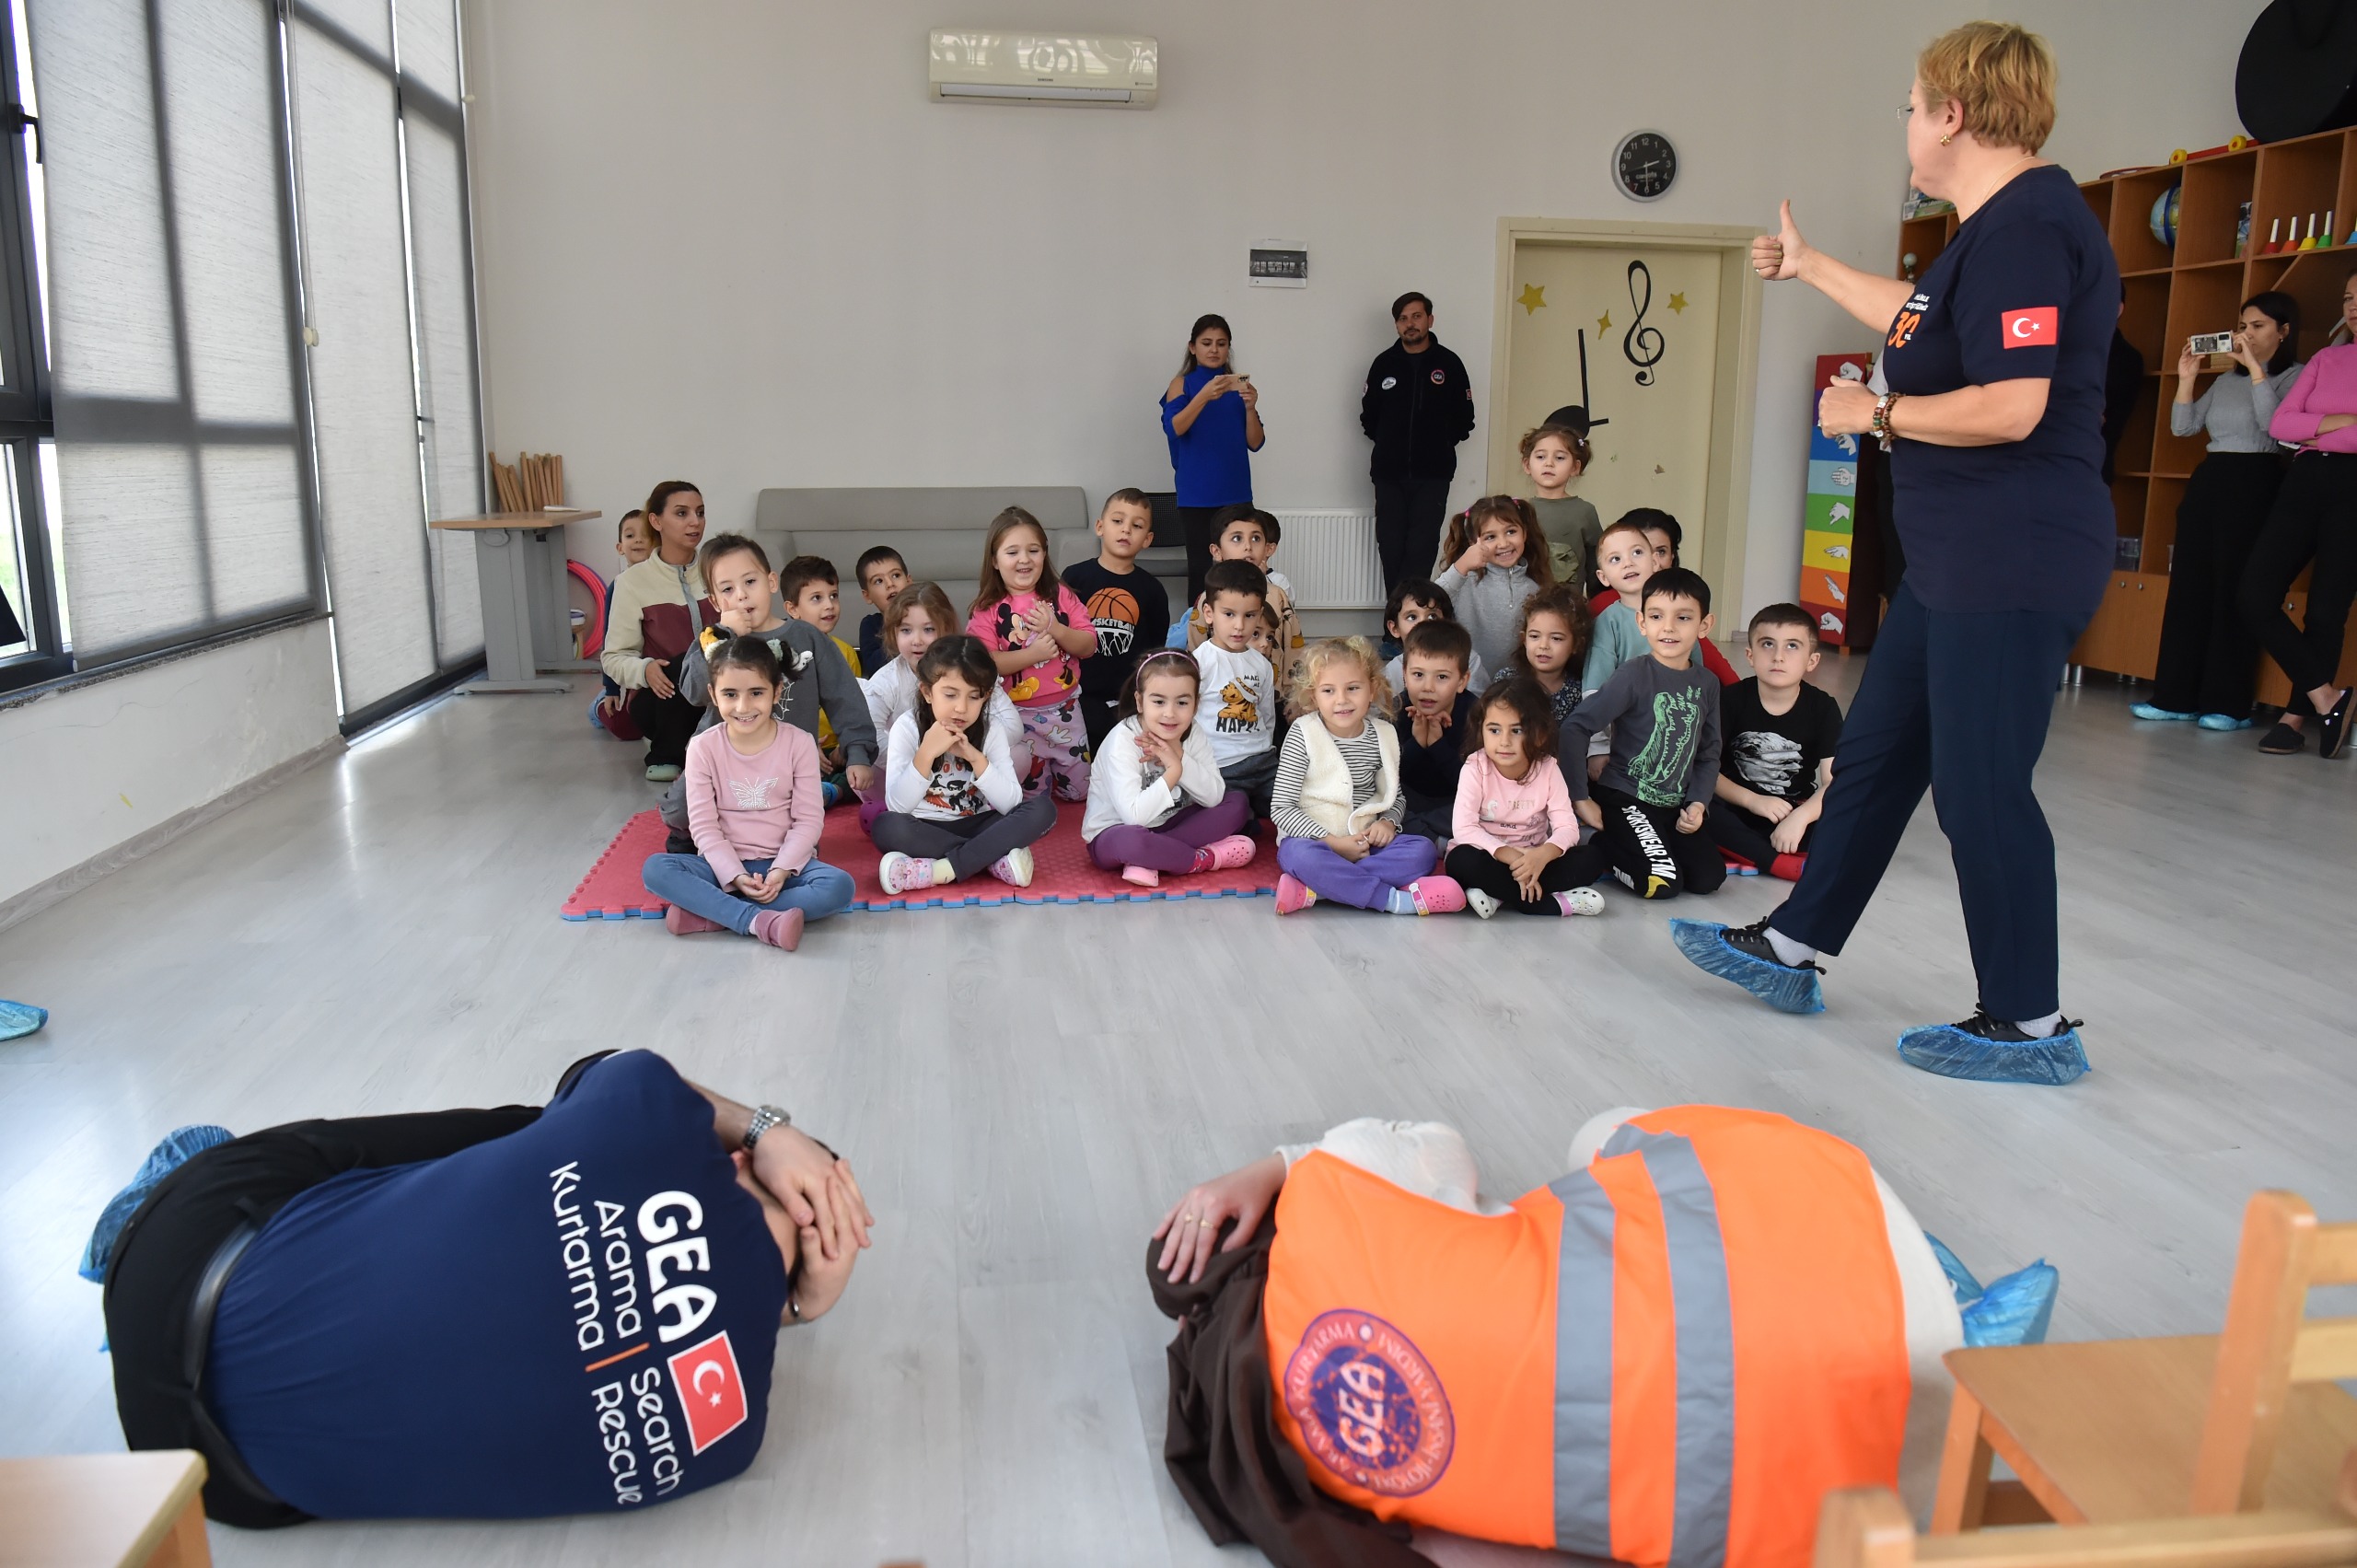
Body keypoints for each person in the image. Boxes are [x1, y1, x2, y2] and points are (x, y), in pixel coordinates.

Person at [1678, 22, 2115, 1083]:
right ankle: (1793, 946)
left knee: (1980, 789)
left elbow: (2012, 405)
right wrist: (1813, 266)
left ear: (1953, 113)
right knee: (1873, 758)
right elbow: (1922, 323)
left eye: (1913, 107)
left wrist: (1874, 414)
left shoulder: (2026, 227)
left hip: (2009, 555)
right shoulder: (1987, 230)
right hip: (1958, 559)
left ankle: (2030, 1024)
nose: (1907, 126)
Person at [1145, 1103, 2053, 1568]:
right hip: (1664, 1305)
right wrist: (1284, 1162)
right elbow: (1436, 1142)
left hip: (1724, 1488)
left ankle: (1934, 1333)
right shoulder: (1333, 1190)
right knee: (1622, 1142)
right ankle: (1928, 1287)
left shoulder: (1303, 1459)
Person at [88, 1048, 870, 1527]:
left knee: (535, 1128)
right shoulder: (732, 1437)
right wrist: (795, 1308)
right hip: (218, 1487)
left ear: (738, 1160)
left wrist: (767, 1126)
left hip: (172, 1263)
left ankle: (138, 1209)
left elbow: (590, 1069)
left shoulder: (650, 1118)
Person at [2132, 296, 2300, 731]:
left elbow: (2276, 428)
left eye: (2258, 326)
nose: (2247, 334)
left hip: (2256, 481)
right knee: (2189, 587)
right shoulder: (2226, 380)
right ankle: (2175, 696)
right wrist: (2187, 379)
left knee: (2235, 590)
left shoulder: (2296, 376)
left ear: (2284, 331)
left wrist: (2257, 371)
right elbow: (2183, 427)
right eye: (2243, 325)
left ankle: (2228, 704)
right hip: (2211, 480)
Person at [656, 535, 875, 854]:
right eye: (728, 589)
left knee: (795, 837)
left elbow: (844, 697)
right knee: (678, 811)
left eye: (750, 582)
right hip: (723, 764)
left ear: (771, 582)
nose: (742, 595)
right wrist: (725, 635)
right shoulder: (713, 639)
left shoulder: (807, 637)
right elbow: (693, 692)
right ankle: (696, 840)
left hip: (787, 768)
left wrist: (857, 752)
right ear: (715, 602)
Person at [641, 637, 855, 950]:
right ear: (713, 694)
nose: (743, 707)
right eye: (730, 694)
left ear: (776, 692)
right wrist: (736, 876)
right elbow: (703, 827)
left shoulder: (799, 743)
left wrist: (780, 870)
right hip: (722, 867)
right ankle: (757, 921)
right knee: (656, 869)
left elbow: (809, 820)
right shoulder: (703, 747)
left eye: (756, 693)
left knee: (839, 886)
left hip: (784, 867)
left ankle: (714, 915)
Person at [2240, 269, 2357, 758]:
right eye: (2348, 297)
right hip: (2305, 480)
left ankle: (2293, 720)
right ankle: (2327, 698)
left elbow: (2299, 425)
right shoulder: (2328, 358)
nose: (2353, 306)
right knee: (2253, 594)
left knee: (2326, 610)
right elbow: (2281, 424)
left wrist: (2316, 425)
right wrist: (2343, 421)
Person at [1559, 567, 1725, 900]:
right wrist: (1580, 798)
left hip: (1673, 805)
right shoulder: (1633, 674)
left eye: (1683, 618)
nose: (1668, 627)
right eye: (1657, 616)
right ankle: (1601, 844)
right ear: (1642, 622)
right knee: (1662, 883)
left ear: (1704, 625)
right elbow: (1575, 727)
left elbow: (1709, 752)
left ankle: (1649, 845)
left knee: (1709, 877)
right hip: (1627, 798)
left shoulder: (1707, 683)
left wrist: (1698, 803)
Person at [1270, 637, 1463, 917]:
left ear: (1372, 690)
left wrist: (1388, 822)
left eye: (1353, 688)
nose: (1342, 700)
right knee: (1297, 856)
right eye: (1328, 690)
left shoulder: (1383, 734)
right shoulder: (1303, 734)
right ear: (1313, 697)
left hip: (1366, 845)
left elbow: (1395, 796)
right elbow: (1282, 808)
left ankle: (1320, 889)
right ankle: (1390, 900)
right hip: (1316, 843)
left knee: (1422, 850)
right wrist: (1333, 843)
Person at [873, 635, 1057, 895]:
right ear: (927, 692)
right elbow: (898, 806)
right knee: (886, 826)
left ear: (986, 696)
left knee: (1043, 810)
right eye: (950, 695)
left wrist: (976, 758)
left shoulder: (991, 728)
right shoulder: (907, 727)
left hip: (977, 823)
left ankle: (940, 870)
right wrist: (926, 753)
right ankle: (990, 859)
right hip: (923, 827)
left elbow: (1011, 803)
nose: (961, 708)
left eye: (974, 697)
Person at [1081, 650, 1257, 888]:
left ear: (1196, 705)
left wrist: (1179, 755)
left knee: (1237, 804)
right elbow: (1134, 818)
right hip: (1118, 832)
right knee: (1131, 842)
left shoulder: (1193, 732)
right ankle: (1201, 859)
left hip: (1173, 822)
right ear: (1139, 701)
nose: (1170, 713)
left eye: (1182, 703)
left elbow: (1213, 797)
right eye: (1159, 701)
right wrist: (1174, 770)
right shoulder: (1123, 740)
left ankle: (1153, 857)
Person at [861, 581, 1025, 832]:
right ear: (927, 692)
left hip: (968, 780)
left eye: (928, 629)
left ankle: (974, 825)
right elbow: (870, 732)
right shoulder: (889, 689)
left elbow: (1013, 726)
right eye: (906, 630)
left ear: (946, 629)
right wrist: (922, 754)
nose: (917, 640)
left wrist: (972, 743)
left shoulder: (974, 673)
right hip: (911, 776)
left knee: (1022, 760)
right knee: (867, 769)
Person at [965, 506, 1096, 801]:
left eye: (1033, 550)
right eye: (1012, 552)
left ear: (1044, 554)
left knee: (1080, 793)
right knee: (1029, 797)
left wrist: (1056, 629)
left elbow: (1089, 645)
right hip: (1015, 718)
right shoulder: (986, 609)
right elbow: (983, 664)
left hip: (1066, 711)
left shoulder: (1061, 595)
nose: (1024, 559)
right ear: (995, 560)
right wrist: (1033, 654)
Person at [1446, 678, 1604, 918]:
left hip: (1535, 860)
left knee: (1593, 858)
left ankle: (1499, 894)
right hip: (1491, 857)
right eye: (1494, 730)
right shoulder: (1475, 767)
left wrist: (1542, 855)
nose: (1504, 741)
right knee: (1460, 860)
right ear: (1482, 730)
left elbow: (1568, 828)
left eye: (1517, 731)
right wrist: (1511, 857)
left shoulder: (1548, 769)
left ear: (1540, 734)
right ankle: (1545, 904)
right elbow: (1464, 829)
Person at [1709, 604, 1844, 882]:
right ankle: (1777, 862)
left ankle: (1753, 850)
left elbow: (1835, 782)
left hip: (1789, 810)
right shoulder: (1730, 700)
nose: (1778, 656)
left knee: (1847, 821)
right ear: (1750, 655)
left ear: (1812, 661)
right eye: (1768, 644)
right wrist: (1753, 800)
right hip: (1736, 805)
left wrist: (1800, 818)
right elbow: (1706, 771)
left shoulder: (1823, 708)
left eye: (1792, 646)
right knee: (1698, 811)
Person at [1361, 292, 1477, 593]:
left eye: (1416, 316)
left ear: (1430, 320)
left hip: (1432, 476)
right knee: (1390, 548)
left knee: (1421, 549)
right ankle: (1396, 619)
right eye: (1403, 319)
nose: (1410, 324)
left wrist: (1438, 444)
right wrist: (1390, 443)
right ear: (1396, 325)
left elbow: (1465, 418)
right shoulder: (1383, 364)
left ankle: (1415, 618)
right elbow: (1369, 417)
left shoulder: (1449, 364)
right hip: (1389, 475)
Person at [602, 481, 714, 783]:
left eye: (700, 512)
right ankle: (666, 754)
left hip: (719, 694)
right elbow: (614, 657)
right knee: (685, 663)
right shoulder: (631, 583)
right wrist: (645, 669)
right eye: (682, 513)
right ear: (656, 521)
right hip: (661, 698)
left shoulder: (717, 570)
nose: (695, 522)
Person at [1163, 315, 1265, 604]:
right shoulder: (1182, 384)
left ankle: (1241, 624)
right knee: (1200, 569)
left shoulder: (1238, 387)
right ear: (1192, 347)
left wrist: (1250, 408)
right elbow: (1175, 427)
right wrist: (1204, 396)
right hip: (1196, 494)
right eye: (1206, 343)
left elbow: (1255, 442)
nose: (1214, 349)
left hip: (1236, 493)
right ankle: (1197, 627)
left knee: (1242, 569)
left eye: (1221, 344)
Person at [1062, 488, 1173, 754]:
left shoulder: (1153, 590)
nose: (1126, 530)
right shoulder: (1074, 577)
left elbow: (1154, 652)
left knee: (1125, 758)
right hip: (1078, 694)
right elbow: (1060, 635)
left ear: (1147, 539)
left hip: (1128, 700)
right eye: (1117, 521)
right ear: (1100, 527)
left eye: (1137, 526)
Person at [1590, 509, 1741, 685]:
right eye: (1617, 558)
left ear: (1672, 557)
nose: (1630, 563)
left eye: (1660, 551)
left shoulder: (1683, 602)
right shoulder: (1606, 609)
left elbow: (1710, 665)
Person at [1190, 560, 1283, 824]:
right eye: (1229, 614)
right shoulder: (1198, 663)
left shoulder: (1261, 664)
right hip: (1221, 767)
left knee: (1297, 805)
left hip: (1264, 764)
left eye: (1249, 615)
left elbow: (1267, 716)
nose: (1240, 626)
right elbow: (1187, 719)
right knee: (1235, 816)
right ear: (1209, 613)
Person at [1433, 495, 1552, 677]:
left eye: (1511, 532)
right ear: (1473, 543)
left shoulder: (1536, 586)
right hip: (1468, 684)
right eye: (1490, 537)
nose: (1503, 543)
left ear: (1525, 533)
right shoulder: (1465, 581)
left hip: (1516, 686)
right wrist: (1461, 566)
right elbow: (1431, 601)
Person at [1394, 619, 1478, 842]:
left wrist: (1437, 745)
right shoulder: (1397, 710)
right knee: (1383, 806)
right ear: (1404, 675)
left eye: (1441, 677)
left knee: (1486, 809)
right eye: (1418, 675)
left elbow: (1473, 785)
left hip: (1455, 800)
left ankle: (1425, 835)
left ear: (1462, 681)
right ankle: (1434, 838)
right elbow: (1390, 777)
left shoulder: (1476, 716)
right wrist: (1417, 743)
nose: (1428, 687)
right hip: (1410, 800)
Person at [1501, 582, 1593, 749]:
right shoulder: (1506, 681)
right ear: (1524, 639)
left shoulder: (1578, 691)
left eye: (1556, 638)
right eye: (1535, 636)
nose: (1543, 646)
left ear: (1576, 645)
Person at [593, 509, 656, 737]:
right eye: (630, 535)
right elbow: (610, 639)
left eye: (645, 535)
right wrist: (611, 688)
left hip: (656, 669)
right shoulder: (619, 586)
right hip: (630, 671)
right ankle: (598, 706)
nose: (638, 540)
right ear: (620, 547)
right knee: (625, 728)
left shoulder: (665, 581)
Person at [1521, 422, 1601, 588]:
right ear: (1527, 465)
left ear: (1575, 467)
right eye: (1541, 457)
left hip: (1569, 602)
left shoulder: (1585, 511)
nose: (1549, 463)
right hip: (1524, 601)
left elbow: (1595, 567)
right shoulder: (1518, 510)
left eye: (1559, 458)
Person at [1379, 579, 1487, 693]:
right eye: (1412, 617)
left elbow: (1480, 702)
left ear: (1447, 622)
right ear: (1394, 628)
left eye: (1432, 616)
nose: (1423, 624)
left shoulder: (1469, 661)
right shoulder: (1392, 672)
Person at [852, 546, 909, 677]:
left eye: (896, 575)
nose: (890, 584)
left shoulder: (927, 617)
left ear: (909, 581)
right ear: (867, 596)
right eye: (879, 581)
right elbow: (874, 669)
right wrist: (896, 625)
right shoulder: (870, 625)